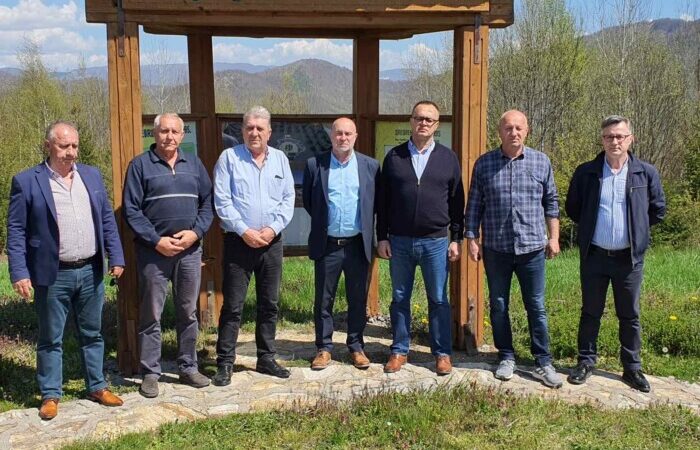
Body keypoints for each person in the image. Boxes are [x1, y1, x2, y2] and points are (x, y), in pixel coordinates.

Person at [7, 121, 125, 420]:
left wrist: (116, 256)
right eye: (64, 146)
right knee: (51, 338)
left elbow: (106, 219)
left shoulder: (91, 175)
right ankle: (50, 394)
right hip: (52, 274)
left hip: (90, 271)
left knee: (93, 333)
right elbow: (16, 230)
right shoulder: (27, 181)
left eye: (74, 146)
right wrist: (19, 272)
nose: (71, 152)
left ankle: (97, 386)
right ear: (48, 146)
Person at [565, 115, 665, 392]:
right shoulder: (587, 172)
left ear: (630, 139)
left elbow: (657, 210)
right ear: (602, 140)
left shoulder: (645, 173)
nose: (614, 141)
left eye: (620, 136)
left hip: (629, 259)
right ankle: (585, 362)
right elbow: (573, 208)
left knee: (629, 315)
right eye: (609, 136)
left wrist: (637, 230)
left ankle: (632, 368)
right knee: (590, 312)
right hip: (594, 256)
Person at [464, 109, 563, 388]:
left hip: (532, 248)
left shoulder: (541, 162)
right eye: (508, 128)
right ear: (500, 132)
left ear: (527, 130)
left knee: (536, 306)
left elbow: (552, 202)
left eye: (519, 128)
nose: (514, 133)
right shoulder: (484, 164)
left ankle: (543, 361)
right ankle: (506, 356)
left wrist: (554, 237)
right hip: (497, 249)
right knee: (498, 305)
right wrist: (471, 238)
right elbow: (474, 204)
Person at [123, 113, 213, 398]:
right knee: (151, 313)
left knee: (188, 312)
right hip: (154, 253)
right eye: (164, 131)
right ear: (155, 133)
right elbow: (131, 210)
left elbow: (208, 203)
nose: (169, 136)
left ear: (182, 135)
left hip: (189, 252)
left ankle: (188, 366)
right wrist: (156, 240)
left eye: (175, 131)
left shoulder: (194, 164)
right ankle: (151, 372)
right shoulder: (139, 166)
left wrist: (195, 234)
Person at [377, 100, 464, 376]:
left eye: (429, 119)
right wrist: (382, 237)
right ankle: (399, 350)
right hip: (399, 241)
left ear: (436, 125)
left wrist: (456, 238)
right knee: (399, 297)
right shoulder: (394, 157)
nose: (423, 123)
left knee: (438, 298)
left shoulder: (448, 158)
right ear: (410, 121)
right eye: (419, 118)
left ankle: (442, 353)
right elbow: (383, 202)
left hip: (436, 242)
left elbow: (457, 201)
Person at [211, 105, 295, 386]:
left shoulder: (280, 159)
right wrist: (245, 231)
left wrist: (272, 229)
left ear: (269, 132)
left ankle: (266, 357)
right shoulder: (229, 158)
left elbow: (288, 199)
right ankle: (225, 362)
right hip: (239, 242)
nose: (254, 132)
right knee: (233, 306)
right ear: (242, 131)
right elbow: (222, 201)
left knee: (269, 304)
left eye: (260, 128)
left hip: (271, 243)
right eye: (249, 128)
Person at [302, 117, 380, 370]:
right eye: (338, 133)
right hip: (328, 245)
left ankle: (356, 346)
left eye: (348, 133)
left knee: (357, 299)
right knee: (324, 300)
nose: (343, 138)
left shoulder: (370, 166)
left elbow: (375, 204)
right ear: (331, 136)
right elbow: (310, 202)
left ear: (355, 136)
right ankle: (324, 348)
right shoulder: (315, 165)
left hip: (357, 244)